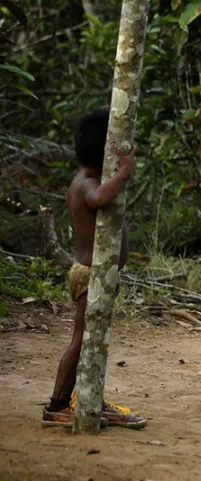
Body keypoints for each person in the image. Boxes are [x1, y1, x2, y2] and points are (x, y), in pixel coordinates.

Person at [42, 108, 147, 429]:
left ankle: (91, 398)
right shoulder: (87, 182)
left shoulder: (92, 177)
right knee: (82, 339)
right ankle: (57, 405)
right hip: (90, 274)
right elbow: (99, 198)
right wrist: (124, 172)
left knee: (92, 338)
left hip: (99, 275)